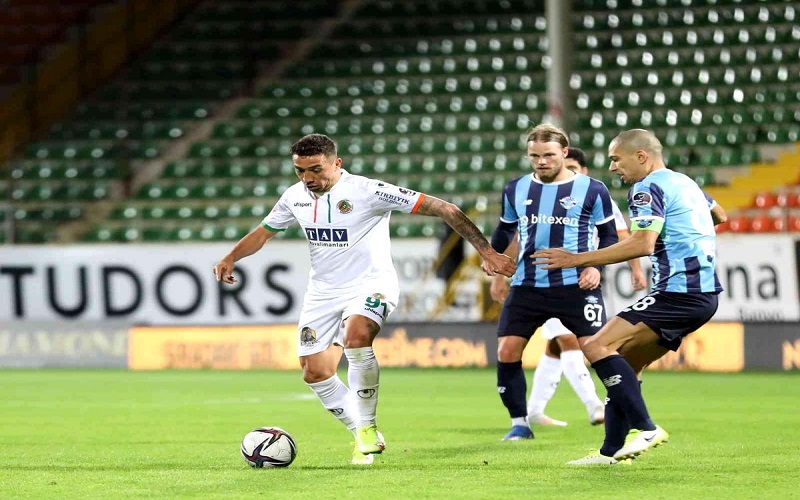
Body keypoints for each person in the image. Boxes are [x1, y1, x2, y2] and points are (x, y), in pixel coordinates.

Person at [213, 133, 515, 465]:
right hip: (323, 292)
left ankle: (367, 428)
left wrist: (488, 252)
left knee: (356, 337)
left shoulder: (368, 191)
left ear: (337, 163)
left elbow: (446, 209)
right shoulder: (294, 196)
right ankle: (360, 430)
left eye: (315, 169)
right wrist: (231, 257)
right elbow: (263, 233)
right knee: (315, 372)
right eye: (300, 170)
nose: (307, 178)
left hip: (371, 284)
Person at [532, 129, 723, 465]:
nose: (613, 167)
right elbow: (720, 215)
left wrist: (576, 259)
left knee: (596, 346)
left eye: (616, 159)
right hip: (703, 293)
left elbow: (642, 243)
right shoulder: (686, 183)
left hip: (678, 291)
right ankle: (610, 452)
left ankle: (646, 428)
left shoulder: (646, 187)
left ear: (641, 156)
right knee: (626, 364)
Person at [490, 147, 647, 428]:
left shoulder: (595, 194)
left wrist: (633, 269)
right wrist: (499, 276)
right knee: (567, 341)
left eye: (573, 168)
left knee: (558, 347)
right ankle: (593, 406)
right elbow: (516, 237)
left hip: (581, 282)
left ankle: (535, 409)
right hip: (536, 283)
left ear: (583, 171)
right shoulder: (530, 193)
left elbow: (621, 236)